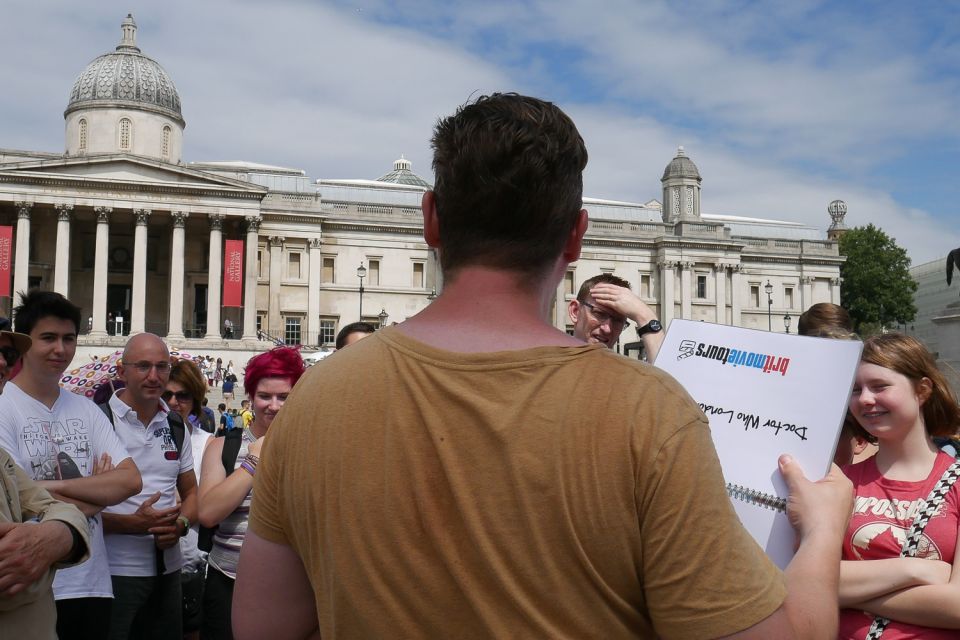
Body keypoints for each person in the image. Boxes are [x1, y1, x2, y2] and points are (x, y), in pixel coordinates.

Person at [234, 93, 853, 639]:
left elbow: (264, 626)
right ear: (577, 237)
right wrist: (823, 532)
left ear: (430, 219)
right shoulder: (650, 411)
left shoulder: (315, 399)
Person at [0, 291, 141, 639]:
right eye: (48, 338)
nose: (60, 350)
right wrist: (98, 489)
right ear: (24, 344)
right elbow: (14, 505)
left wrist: (45, 490)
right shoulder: (4, 405)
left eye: (68, 339)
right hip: (34, 584)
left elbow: (130, 481)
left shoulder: (88, 408)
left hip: (93, 583)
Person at [838, 333, 960, 638]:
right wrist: (915, 570)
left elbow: (957, 606)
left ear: (922, 390)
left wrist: (849, 593)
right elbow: (806, 581)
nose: (865, 399)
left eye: (880, 387)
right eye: (855, 389)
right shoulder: (840, 483)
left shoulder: (956, 481)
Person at [199, 347, 304, 640]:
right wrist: (253, 461)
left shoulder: (312, 447)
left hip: (293, 586)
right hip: (230, 581)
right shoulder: (223, 447)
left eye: (284, 396)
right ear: (250, 397)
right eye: (264, 396)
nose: (273, 405)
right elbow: (208, 513)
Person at [101, 333, 198, 640]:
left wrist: (181, 524)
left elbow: (192, 493)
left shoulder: (175, 424)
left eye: (162, 366)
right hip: (111, 572)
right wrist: (131, 524)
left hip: (167, 572)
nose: (154, 376)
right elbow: (74, 507)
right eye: (143, 366)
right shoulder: (97, 420)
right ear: (122, 371)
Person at [165, 358, 213, 640]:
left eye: (182, 395)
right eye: (167, 394)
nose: (173, 402)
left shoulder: (206, 442)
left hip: (189, 558)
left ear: (194, 400)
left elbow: (205, 500)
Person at [569, 273, 664, 361]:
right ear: (575, 311)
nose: (607, 329)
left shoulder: (627, 375)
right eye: (599, 314)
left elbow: (666, 377)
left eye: (618, 320)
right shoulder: (554, 366)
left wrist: (646, 316)